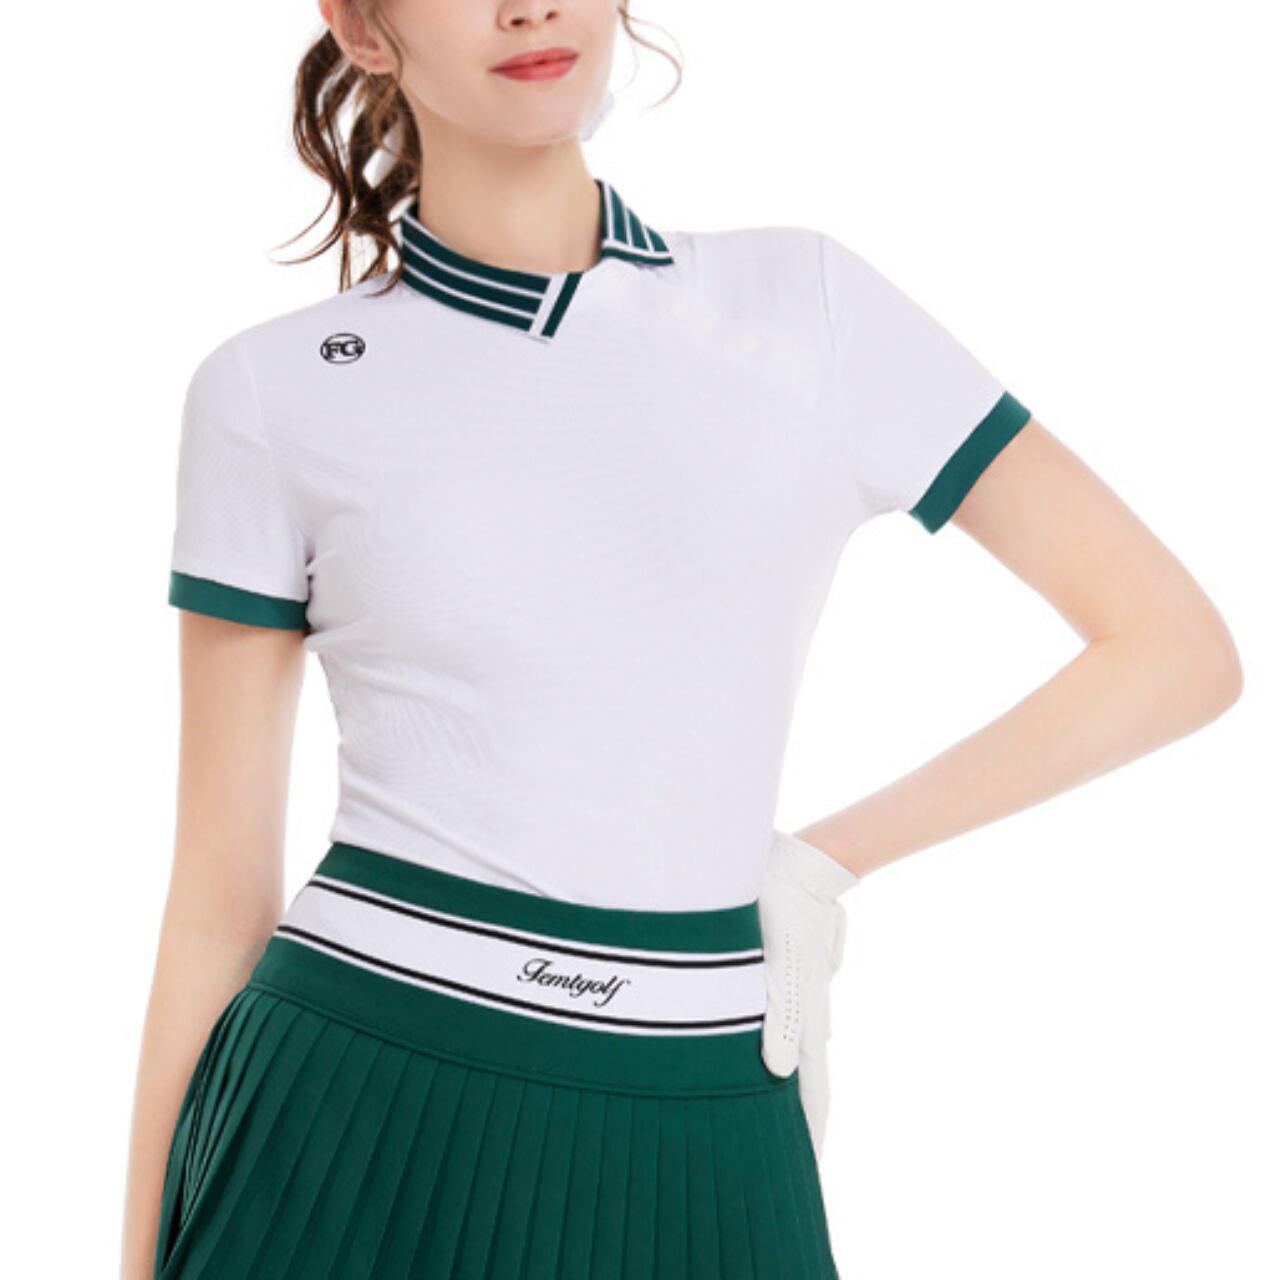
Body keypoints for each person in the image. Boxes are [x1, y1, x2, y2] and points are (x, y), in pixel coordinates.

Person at [119, 1, 1244, 1277]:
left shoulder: (804, 307)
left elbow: (1170, 646)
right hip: (348, 1113)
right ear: (361, 28)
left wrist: (816, 865)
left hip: (703, 1115)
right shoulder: (274, 389)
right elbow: (214, 904)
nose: (528, 6)